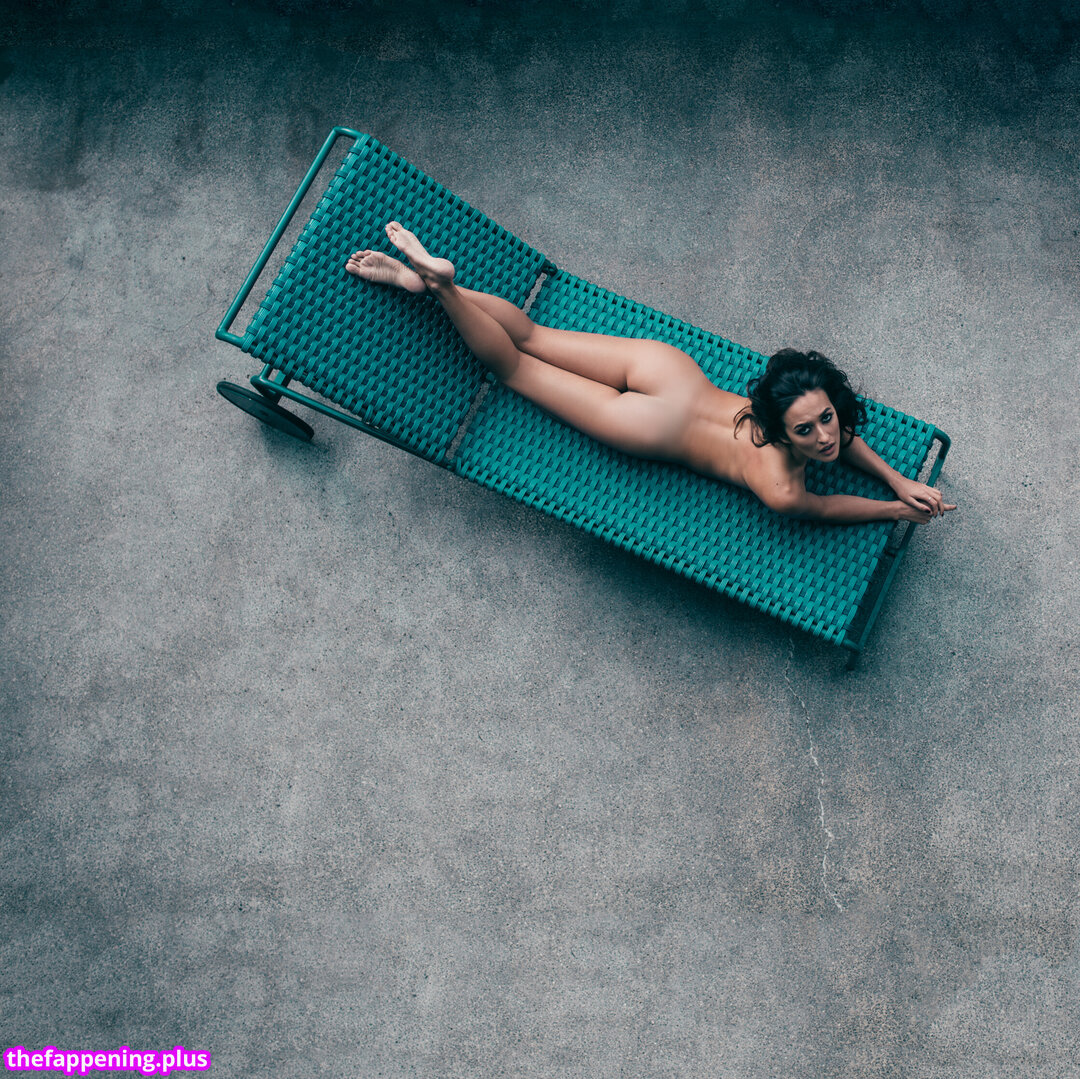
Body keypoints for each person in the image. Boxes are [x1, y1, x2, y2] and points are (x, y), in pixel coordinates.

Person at [346, 222, 956, 525]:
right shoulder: (782, 489)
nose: (825, 436)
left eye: (825, 420)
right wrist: (894, 508)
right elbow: (825, 509)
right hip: (652, 426)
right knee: (513, 365)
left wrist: (898, 479)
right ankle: (440, 287)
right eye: (807, 429)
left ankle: (425, 281)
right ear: (777, 427)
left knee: (534, 335)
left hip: (672, 373)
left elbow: (844, 442)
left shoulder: (800, 421)